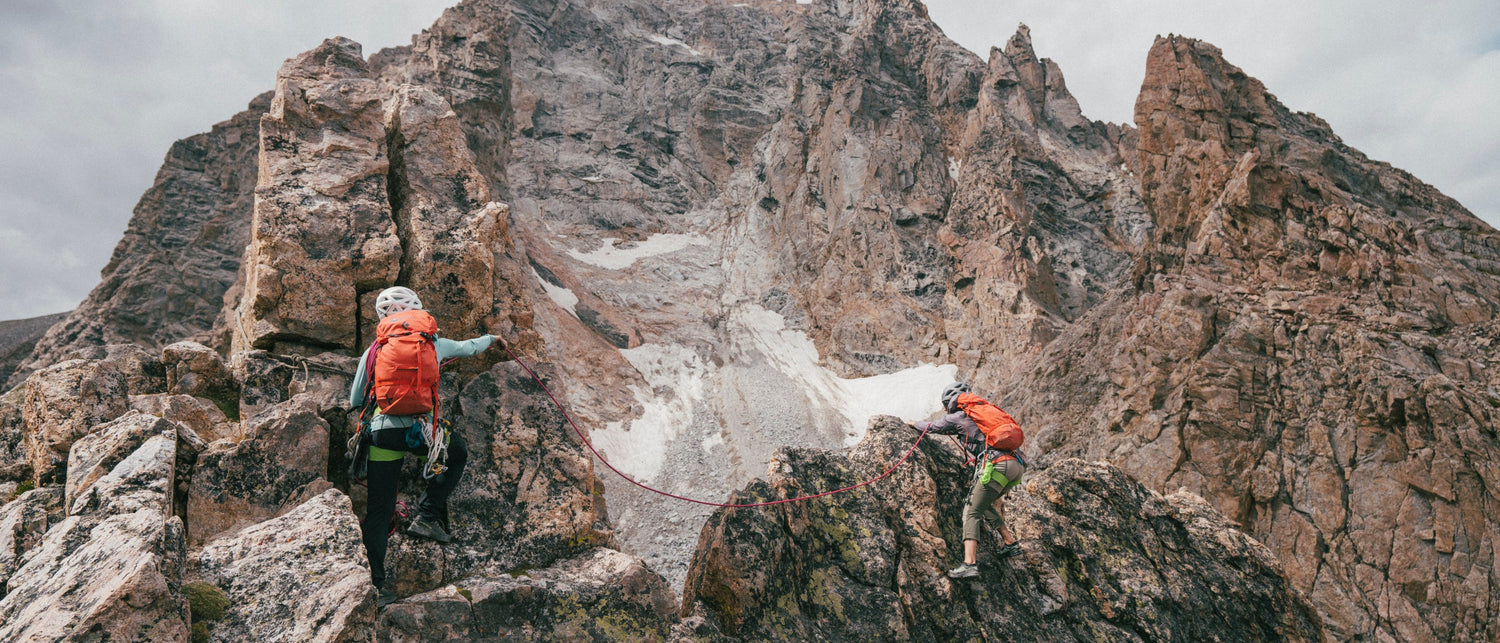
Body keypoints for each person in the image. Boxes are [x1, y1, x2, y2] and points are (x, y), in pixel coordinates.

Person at [349, 286, 502, 606]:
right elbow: (469, 348)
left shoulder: (375, 350)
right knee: (456, 454)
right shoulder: (434, 343)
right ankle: (428, 515)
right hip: (422, 433)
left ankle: (375, 588)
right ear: (417, 311)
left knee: (379, 509)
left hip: (382, 434)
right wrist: (492, 339)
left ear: (384, 318)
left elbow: (355, 399)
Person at [910, 382, 1026, 579]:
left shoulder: (960, 415)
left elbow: (933, 427)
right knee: (983, 504)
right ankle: (1010, 543)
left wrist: (913, 424)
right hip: (1015, 466)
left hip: (997, 465)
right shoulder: (981, 411)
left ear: (950, 402)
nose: (946, 410)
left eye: (946, 406)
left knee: (970, 510)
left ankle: (969, 564)